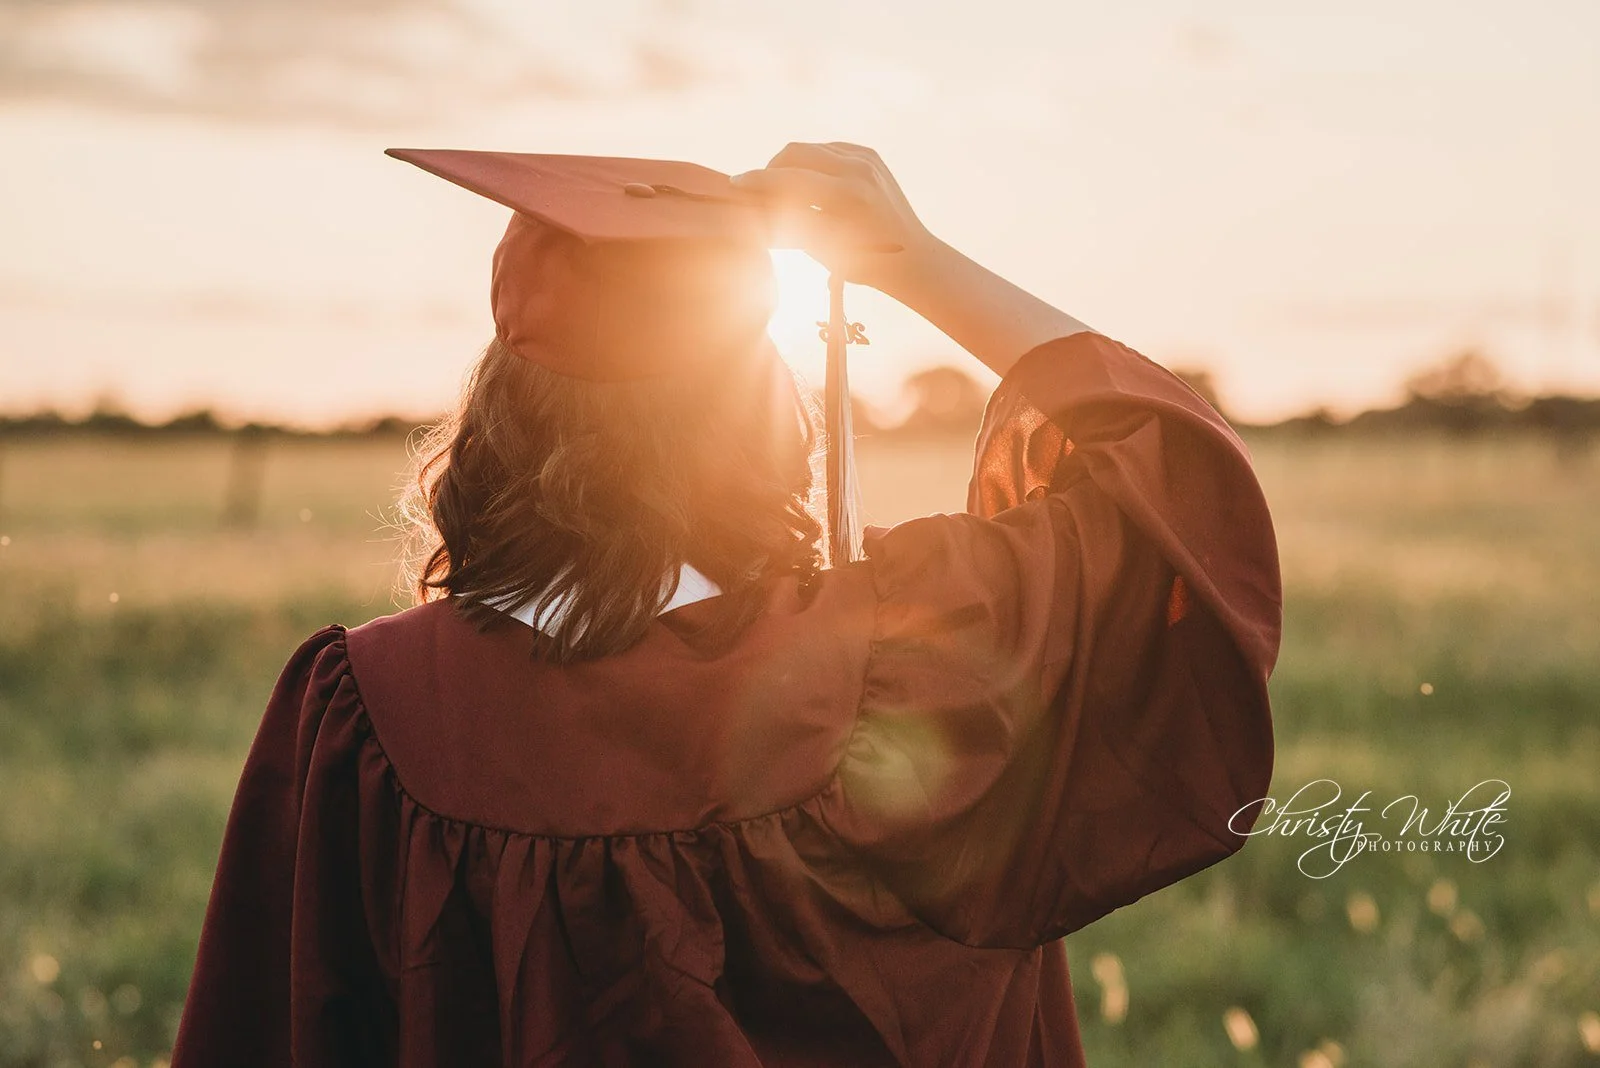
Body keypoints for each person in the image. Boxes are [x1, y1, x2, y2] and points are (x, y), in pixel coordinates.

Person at [171, 142, 1280, 1067]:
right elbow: (1169, 491)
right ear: (754, 411)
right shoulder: (926, 650)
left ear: (502, 408)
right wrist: (919, 265)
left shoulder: (369, 717)